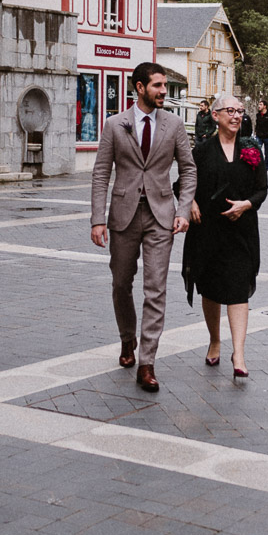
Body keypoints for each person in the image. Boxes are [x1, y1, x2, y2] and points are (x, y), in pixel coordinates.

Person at [90, 62, 197, 393]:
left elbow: (189, 170)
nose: (164, 91)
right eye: (157, 86)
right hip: (123, 214)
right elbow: (100, 173)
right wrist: (97, 218)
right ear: (139, 88)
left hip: (161, 216)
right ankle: (127, 339)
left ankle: (148, 362)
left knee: (156, 288)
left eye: (165, 86)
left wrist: (183, 210)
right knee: (122, 283)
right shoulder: (114, 124)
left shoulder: (175, 125)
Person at [182, 95, 268, 379]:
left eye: (240, 111)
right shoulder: (202, 151)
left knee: (238, 287)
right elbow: (183, 182)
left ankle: (239, 352)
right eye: (230, 111)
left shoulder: (252, 149)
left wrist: (247, 204)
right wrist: (191, 203)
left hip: (241, 231)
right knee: (210, 287)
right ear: (216, 116)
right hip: (208, 228)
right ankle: (215, 340)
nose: (236, 116)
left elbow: (262, 189)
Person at [254, 100, 268, 167]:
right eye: (259, 104)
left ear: (265, 106)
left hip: (267, 136)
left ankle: (266, 167)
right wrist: (256, 131)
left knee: (267, 153)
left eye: (261, 104)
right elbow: (257, 124)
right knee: (257, 151)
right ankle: (257, 166)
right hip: (259, 136)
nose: (259, 106)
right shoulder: (258, 115)